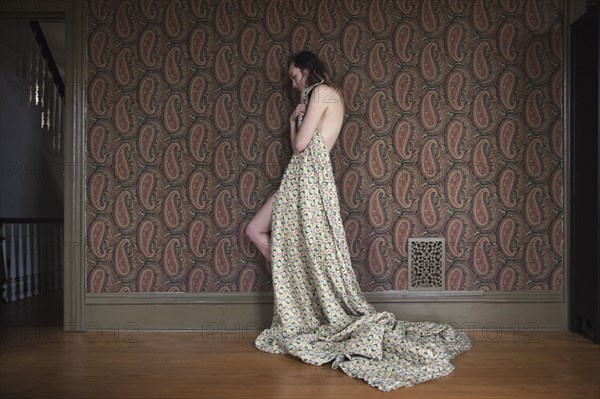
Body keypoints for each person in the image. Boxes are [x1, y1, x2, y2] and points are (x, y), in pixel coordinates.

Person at [247, 51, 471, 392]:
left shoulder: (321, 93)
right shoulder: (320, 97)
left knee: (297, 247)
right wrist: (296, 118)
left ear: (308, 71)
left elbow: (302, 145)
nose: (294, 85)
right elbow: (302, 145)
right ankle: (300, 294)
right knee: (262, 233)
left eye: (295, 77)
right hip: (300, 179)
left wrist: (295, 122)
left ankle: (305, 300)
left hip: (307, 179)